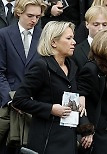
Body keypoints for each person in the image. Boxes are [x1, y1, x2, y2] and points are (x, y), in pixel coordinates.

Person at [12, 21, 94, 154]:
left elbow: (75, 101)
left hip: (69, 138)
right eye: (68, 38)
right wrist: (50, 109)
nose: (74, 42)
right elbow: (19, 100)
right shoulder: (41, 66)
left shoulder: (72, 66)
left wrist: (87, 130)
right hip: (47, 140)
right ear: (53, 42)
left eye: (73, 38)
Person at [0, 0, 46, 153]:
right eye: (30, 16)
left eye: (38, 17)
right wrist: (12, 99)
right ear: (18, 12)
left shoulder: (44, 35)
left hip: (35, 103)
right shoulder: (4, 35)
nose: (34, 20)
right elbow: (0, 71)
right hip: (9, 103)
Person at [77, 29, 107, 154]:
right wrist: (86, 130)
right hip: (99, 137)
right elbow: (78, 101)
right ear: (105, 50)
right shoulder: (91, 69)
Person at [72, 5, 107, 73]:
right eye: (96, 24)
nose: (101, 28)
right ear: (87, 24)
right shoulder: (76, 52)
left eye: (104, 25)